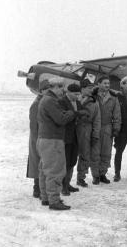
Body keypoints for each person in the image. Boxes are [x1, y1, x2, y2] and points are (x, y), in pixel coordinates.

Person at [37, 77, 86, 210]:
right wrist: (73, 113)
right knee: (55, 170)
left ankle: (46, 198)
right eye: (62, 88)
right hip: (53, 140)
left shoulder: (46, 99)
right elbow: (60, 119)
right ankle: (54, 200)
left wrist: (68, 113)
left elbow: (57, 115)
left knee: (45, 170)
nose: (63, 91)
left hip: (44, 139)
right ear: (55, 87)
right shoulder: (50, 101)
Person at [94, 76, 121, 184]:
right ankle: (95, 175)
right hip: (95, 127)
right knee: (95, 152)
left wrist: (116, 128)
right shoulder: (93, 96)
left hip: (107, 127)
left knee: (106, 152)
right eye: (104, 83)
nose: (107, 85)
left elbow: (117, 114)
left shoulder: (113, 98)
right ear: (99, 84)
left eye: (108, 83)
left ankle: (102, 174)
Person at [59, 83, 84, 195]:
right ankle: (63, 186)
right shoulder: (62, 102)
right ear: (68, 92)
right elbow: (64, 117)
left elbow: (84, 112)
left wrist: (78, 113)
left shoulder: (77, 102)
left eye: (79, 94)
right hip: (65, 137)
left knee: (72, 161)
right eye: (76, 94)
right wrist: (77, 113)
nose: (78, 96)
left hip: (75, 136)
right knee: (65, 162)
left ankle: (67, 183)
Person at [27, 79, 50, 198]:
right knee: (37, 163)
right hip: (37, 138)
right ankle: (37, 189)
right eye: (47, 89)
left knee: (42, 163)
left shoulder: (45, 102)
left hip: (43, 137)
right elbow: (33, 126)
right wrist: (38, 142)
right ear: (41, 91)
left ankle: (41, 188)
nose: (49, 91)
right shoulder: (36, 104)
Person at [76, 79, 101, 187]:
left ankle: (93, 175)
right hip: (77, 129)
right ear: (82, 89)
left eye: (92, 88)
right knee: (81, 154)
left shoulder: (94, 102)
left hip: (88, 129)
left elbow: (97, 119)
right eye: (89, 88)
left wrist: (95, 134)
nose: (91, 90)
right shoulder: (76, 99)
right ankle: (78, 178)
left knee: (92, 154)